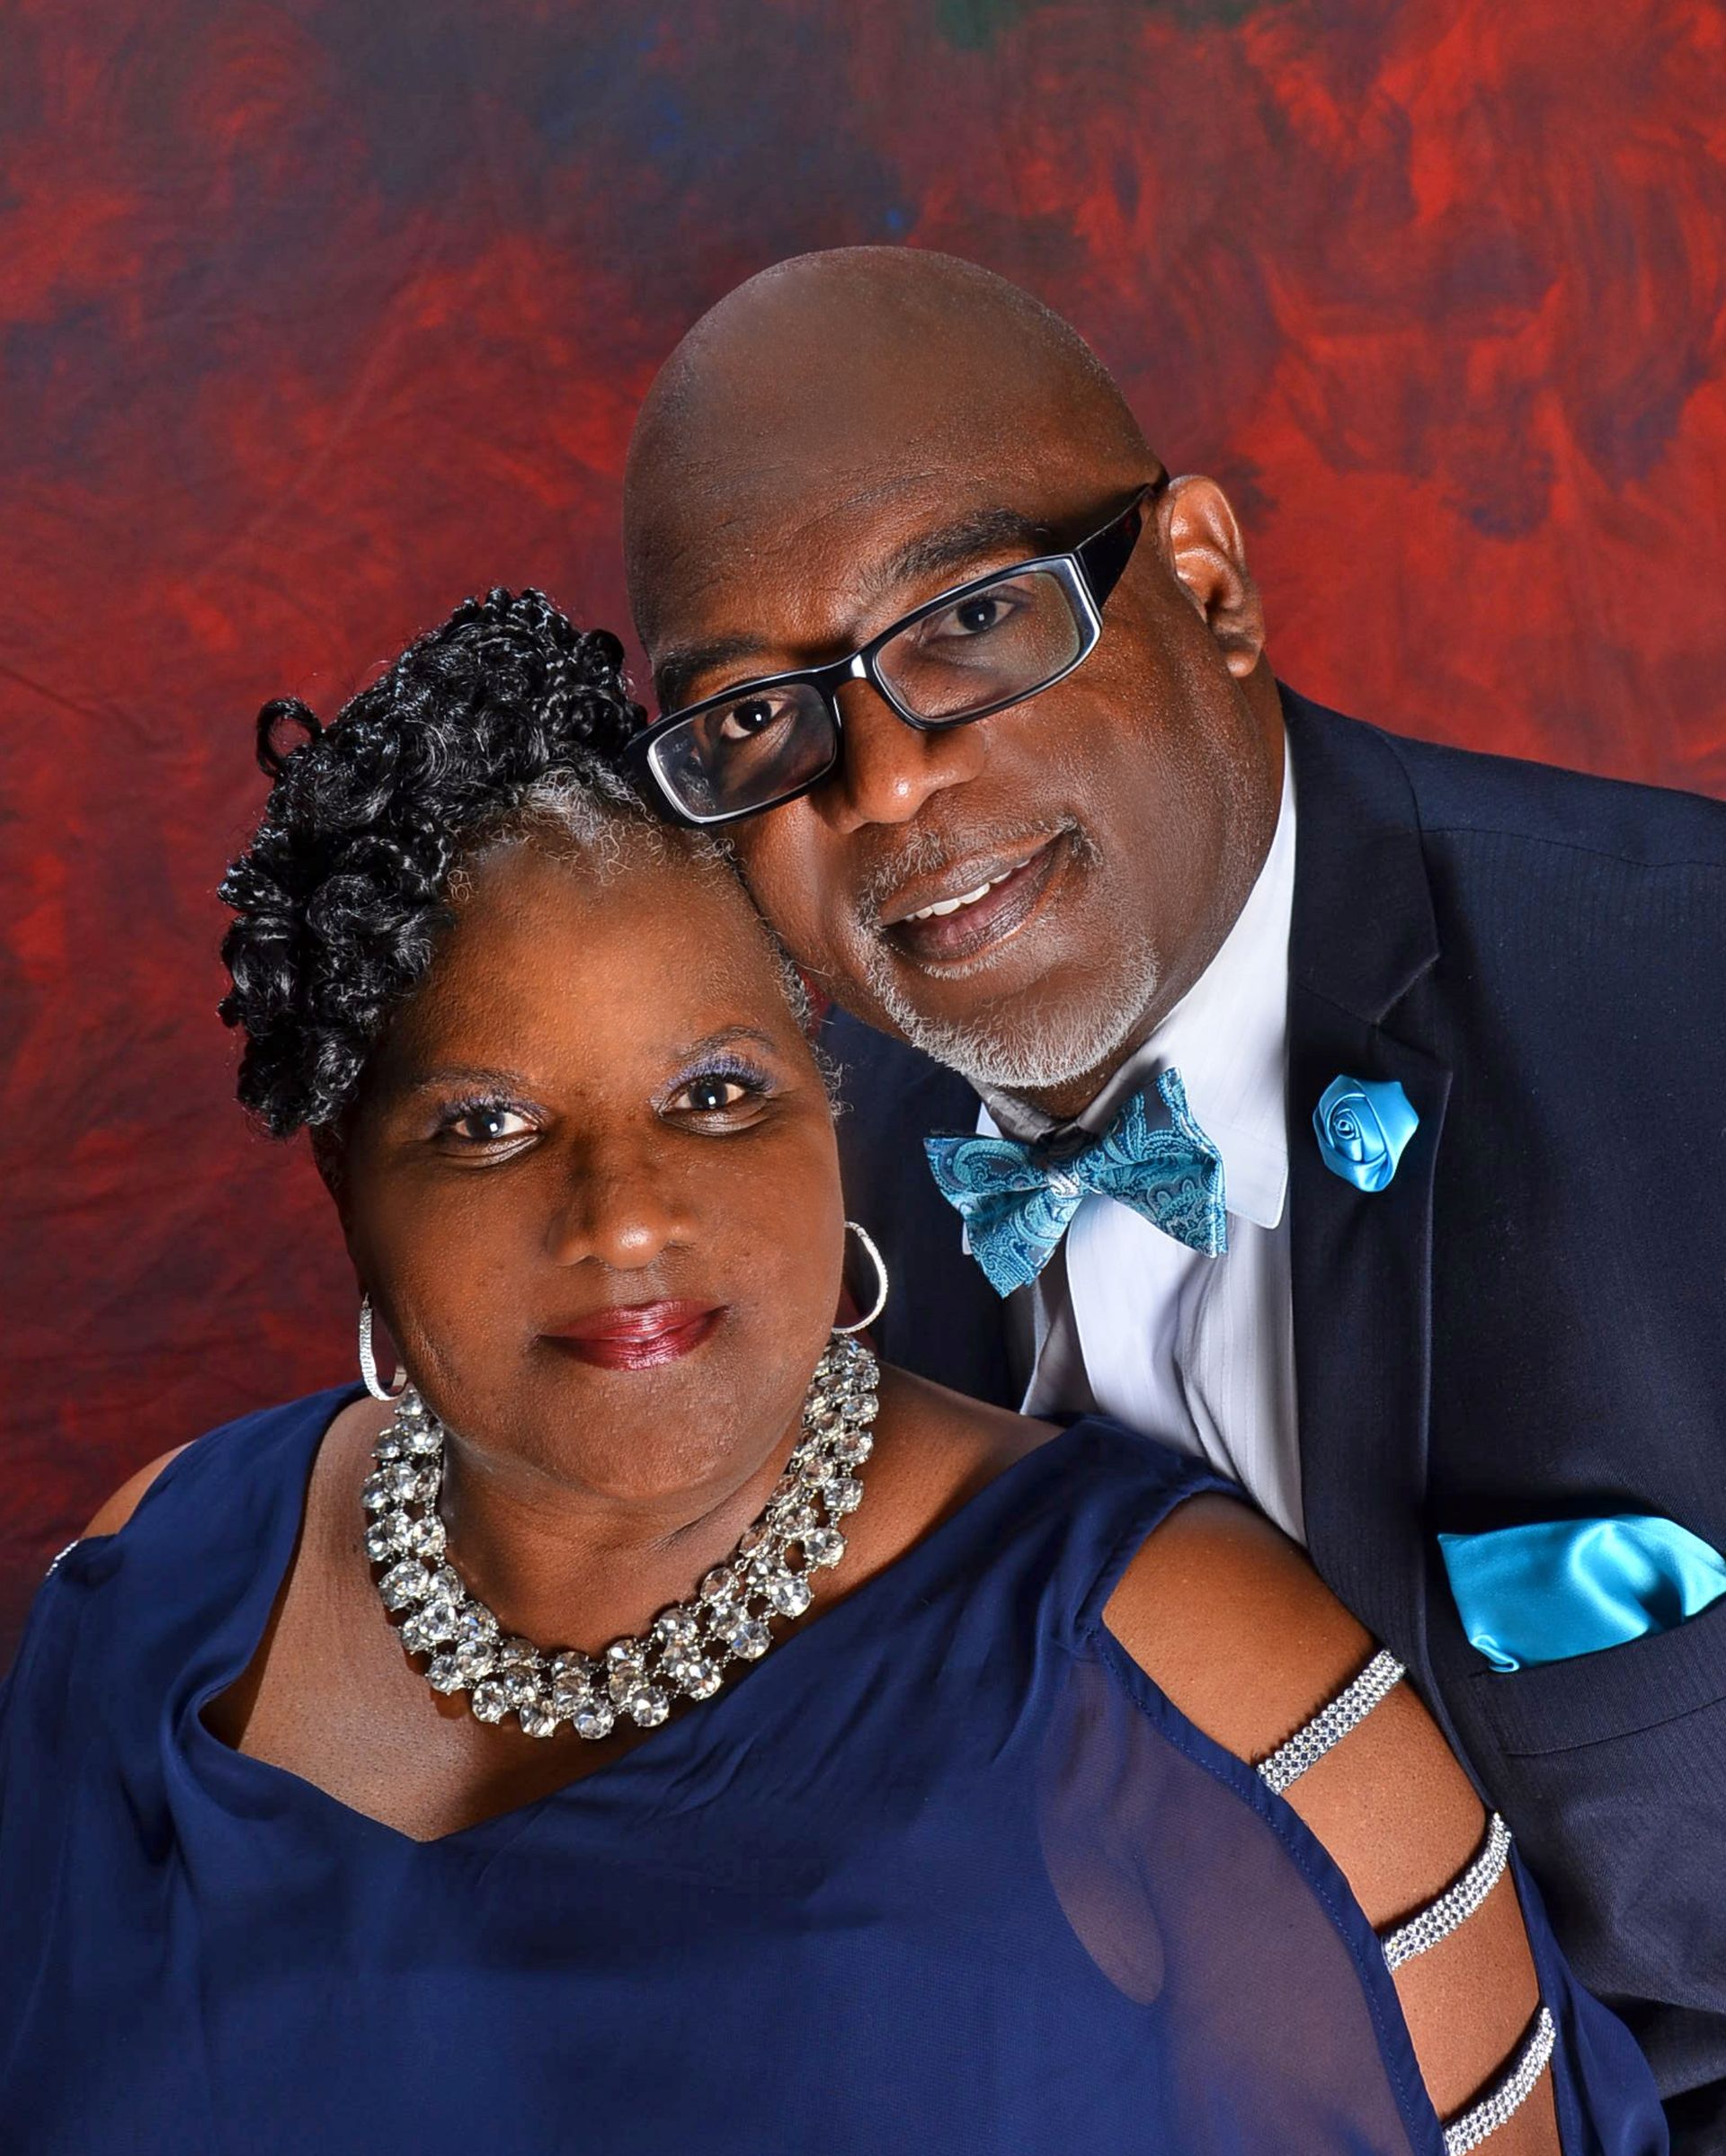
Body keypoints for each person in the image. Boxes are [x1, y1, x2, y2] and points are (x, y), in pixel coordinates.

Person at [0, 592, 1663, 2153]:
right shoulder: (164, 1578)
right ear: (342, 1182)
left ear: (829, 1098)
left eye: (717, 1094)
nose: (629, 1219)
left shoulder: (1177, 1670)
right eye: (488, 1125)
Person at [618, 247, 1726, 2148]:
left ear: (1206, 588)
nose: (879, 782)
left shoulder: (1686, 1007)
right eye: (754, 721)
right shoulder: (759, 1234)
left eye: (968, 617)